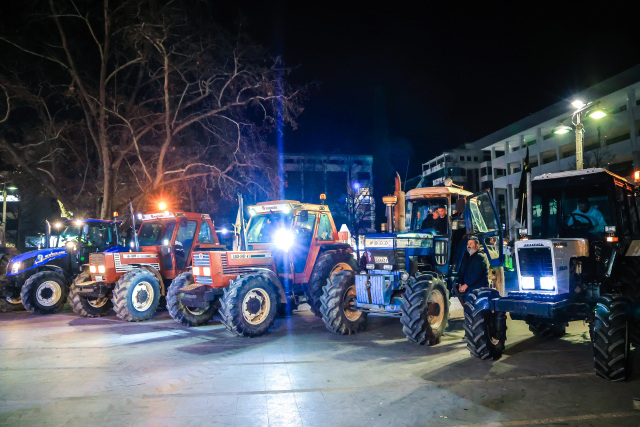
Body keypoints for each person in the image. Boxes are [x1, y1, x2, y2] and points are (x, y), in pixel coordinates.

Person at [453, 236, 489, 305]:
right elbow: (462, 271)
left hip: (478, 289)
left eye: (471, 244)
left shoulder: (480, 257)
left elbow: (476, 274)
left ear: (477, 246)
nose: (468, 246)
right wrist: (460, 283)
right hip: (469, 289)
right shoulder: (466, 257)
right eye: (468, 244)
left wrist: (466, 285)